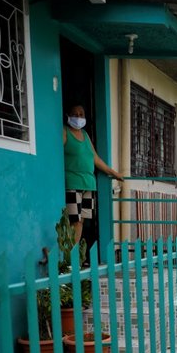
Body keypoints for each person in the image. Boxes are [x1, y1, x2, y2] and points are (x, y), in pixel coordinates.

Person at [63, 104, 124, 246]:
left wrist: (114, 173)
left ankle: (74, 255)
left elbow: (95, 158)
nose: (78, 117)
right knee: (74, 220)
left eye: (81, 114)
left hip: (89, 184)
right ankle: (69, 256)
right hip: (72, 183)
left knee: (81, 220)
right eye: (75, 114)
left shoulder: (85, 135)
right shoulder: (65, 132)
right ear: (68, 115)